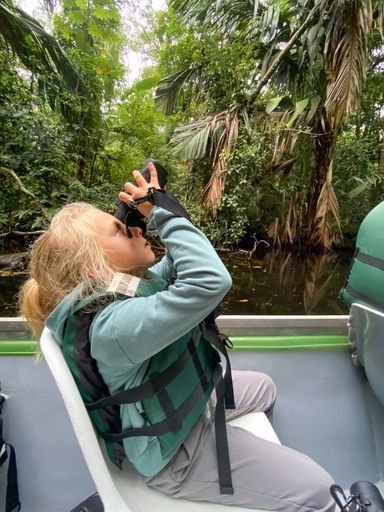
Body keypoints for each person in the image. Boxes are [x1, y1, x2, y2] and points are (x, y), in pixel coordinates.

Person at [20, 162, 335, 511]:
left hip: (185, 409)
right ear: (96, 268)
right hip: (175, 456)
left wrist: (159, 209)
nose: (136, 230)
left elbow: (186, 260)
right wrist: (162, 214)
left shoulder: (127, 289)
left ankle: (257, 479)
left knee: (264, 387)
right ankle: (253, 484)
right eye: (122, 230)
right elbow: (209, 281)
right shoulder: (114, 328)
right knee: (322, 490)